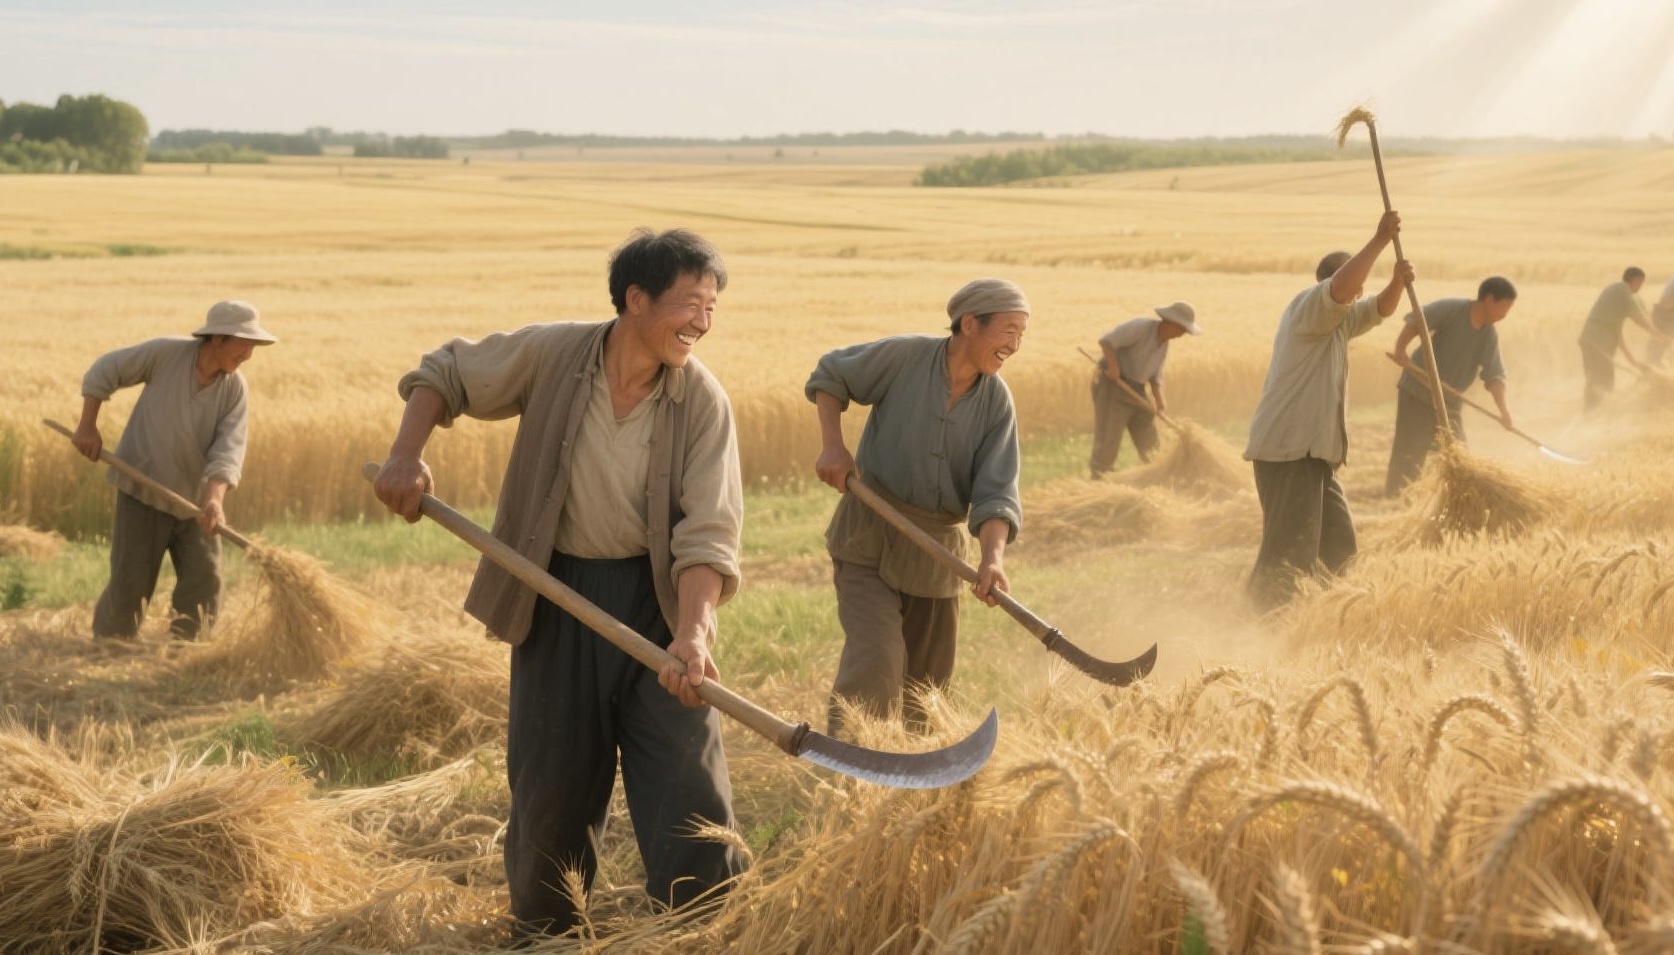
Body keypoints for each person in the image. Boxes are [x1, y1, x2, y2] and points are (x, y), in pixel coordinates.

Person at [373, 229, 746, 941]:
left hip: (657, 606)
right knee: (552, 787)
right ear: (635, 299)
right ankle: (548, 932)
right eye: (690, 303)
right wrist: (405, 456)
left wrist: (694, 632)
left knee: (689, 779)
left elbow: (708, 532)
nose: (703, 321)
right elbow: (444, 373)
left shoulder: (702, 401)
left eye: (712, 306)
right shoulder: (554, 354)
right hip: (555, 595)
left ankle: (703, 929)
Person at [807, 278, 1026, 735]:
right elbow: (832, 375)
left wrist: (992, 560)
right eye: (1008, 330)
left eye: (1022, 333)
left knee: (925, 691)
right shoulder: (906, 358)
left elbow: (996, 492)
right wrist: (833, 447)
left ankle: (911, 785)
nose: (1015, 344)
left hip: (936, 552)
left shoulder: (996, 403)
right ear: (969, 324)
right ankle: (850, 771)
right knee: (876, 661)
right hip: (869, 533)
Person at [73, 300, 276, 641]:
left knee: (205, 578)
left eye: (252, 347)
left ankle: (188, 651)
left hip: (195, 504)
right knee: (130, 582)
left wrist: (214, 501)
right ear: (218, 338)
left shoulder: (235, 388)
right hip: (141, 491)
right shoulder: (164, 354)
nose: (248, 355)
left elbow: (229, 450)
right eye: (244, 345)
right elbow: (104, 371)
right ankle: (109, 649)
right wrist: (87, 426)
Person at [1243, 212, 1413, 609]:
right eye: (1351, 283)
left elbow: (1379, 309)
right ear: (1328, 283)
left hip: (1315, 455)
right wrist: (1379, 240)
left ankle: (1328, 614)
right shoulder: (1310, 308)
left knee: (1339, 546)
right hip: (1288, 450)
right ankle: (1259, 621)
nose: (1357, 292)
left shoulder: (1340, 321)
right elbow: (1343, 287)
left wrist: (1398, 282)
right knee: (1289, 553)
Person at [1383, 277, 1516, 496]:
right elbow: (1417, 320)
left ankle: (1458, 500)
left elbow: (1495, 376)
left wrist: (1504, 412)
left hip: (1449, 401)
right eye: (1505, 308)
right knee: (1409, 452)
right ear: (1490, 299)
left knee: (1458, 454)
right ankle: (1395, 501)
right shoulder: (1453, 309)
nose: (1505, 315)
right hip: (1417, 390)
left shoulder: (1488, 335)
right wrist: (1400, 349)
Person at [1088, 302, 1201, 479]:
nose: (1181, 335)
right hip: (1114, 386)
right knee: (1109, 437)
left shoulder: (1164, 344)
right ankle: (1099, 478)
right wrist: (1113, 366)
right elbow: (1107, 341)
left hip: (1137, 388)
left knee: (1149, 437)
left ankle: (1156, 477)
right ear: (1170, 322)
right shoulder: (1140, 327)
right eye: (1181, 330)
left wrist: (1160, 401)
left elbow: (1155, 377)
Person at [1577, 267, 1659, 410]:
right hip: (1597, 342)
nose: (1640, 287)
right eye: (1641, 283)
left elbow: (1618, 333)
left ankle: (1589, 412)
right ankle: (1594, 413)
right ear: (1635, 280)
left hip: (1589, 340)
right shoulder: (1623, 290)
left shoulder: (1616, 295)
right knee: (1604, 380)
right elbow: (1638, 316)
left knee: (1595, 379)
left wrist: (1631, 359)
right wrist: (1657, 334)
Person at [1648, 272, 1674, 367]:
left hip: (1662, 313)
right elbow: (1671, 302)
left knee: (1659, 343)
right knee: (1660, 341)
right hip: (1665, 315)